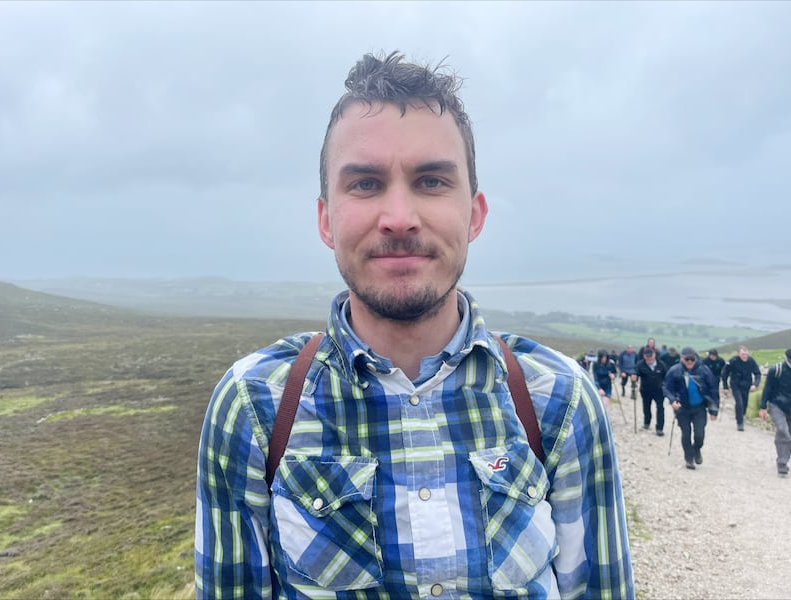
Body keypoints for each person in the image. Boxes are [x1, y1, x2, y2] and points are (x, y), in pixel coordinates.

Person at [194, 51, 633, 598]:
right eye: (364, 183)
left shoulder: (559, 400)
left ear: (474, 214)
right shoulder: (254, 407)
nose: (399, 216)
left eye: (430, 181)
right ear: (326, 219)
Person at [663, 347, 720, 469]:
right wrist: (672, 400)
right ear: (681, 358)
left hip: (699, 407)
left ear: (696, 358)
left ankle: (697, 449)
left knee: (699, 434)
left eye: (692, 359)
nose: (689, 362)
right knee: (686, 432)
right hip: (682, 407)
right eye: (686, 359)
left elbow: (713, 389)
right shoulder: (675, 371)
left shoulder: (704, 371)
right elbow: (666, 387)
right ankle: (689, 458)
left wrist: (714, 410)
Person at [759, 349, 791, 476]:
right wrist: (762, 407)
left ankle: (784, 459)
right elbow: (767, 389)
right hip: (777, 405)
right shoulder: (776, 370)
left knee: (787, 433)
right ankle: (782, 462)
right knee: (783, 430)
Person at [721, 345, 762, 431]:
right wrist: (725, 386)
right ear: (738, 354)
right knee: (739, 403)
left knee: (744, 404)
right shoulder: (733, 361)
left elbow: (757, 373)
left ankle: (740, 415)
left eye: (746, 354)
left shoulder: (751, 361)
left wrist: (755, 384)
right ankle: (740, 423)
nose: (744, 356)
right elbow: (725, 373)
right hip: (736, 385)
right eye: (743, 354)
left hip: (747, 385)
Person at [634, 347, 668, 435]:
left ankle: (659, 428)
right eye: (647, 357)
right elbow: (636, 373)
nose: (649, 359)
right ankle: (646, 422)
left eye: (651, 357)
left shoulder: (661, 364)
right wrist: (634, 377)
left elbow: (667, 377)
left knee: (660, 408)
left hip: (659, 390)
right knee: (646, 406)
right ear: (644, 356)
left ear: (654, 355)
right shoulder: (640, 364)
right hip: (645, 390)